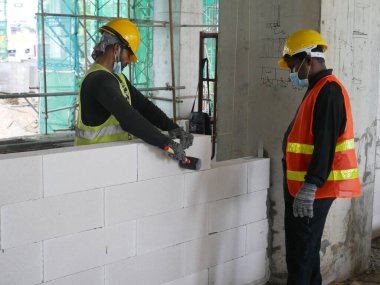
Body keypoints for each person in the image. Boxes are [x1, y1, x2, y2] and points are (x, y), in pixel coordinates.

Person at [278, 29, 361, 285]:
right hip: (302, 186)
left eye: (294, 67)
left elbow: (326, 143)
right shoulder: (317, 89)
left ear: (309, 60)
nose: (293, 74)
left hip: (312, 190)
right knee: (304, 253)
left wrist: (311, 184)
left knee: (301, 255)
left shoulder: (329, 91)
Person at [74, 18, 193, 162]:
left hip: (109, 159)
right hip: (92, 161)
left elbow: (144, 106)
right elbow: (129, 118)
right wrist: (166, 142)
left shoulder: (118, 79)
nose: (129, 61)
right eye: (129, 55)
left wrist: (172, 127)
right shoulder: (99, 80)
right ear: (117, 48)